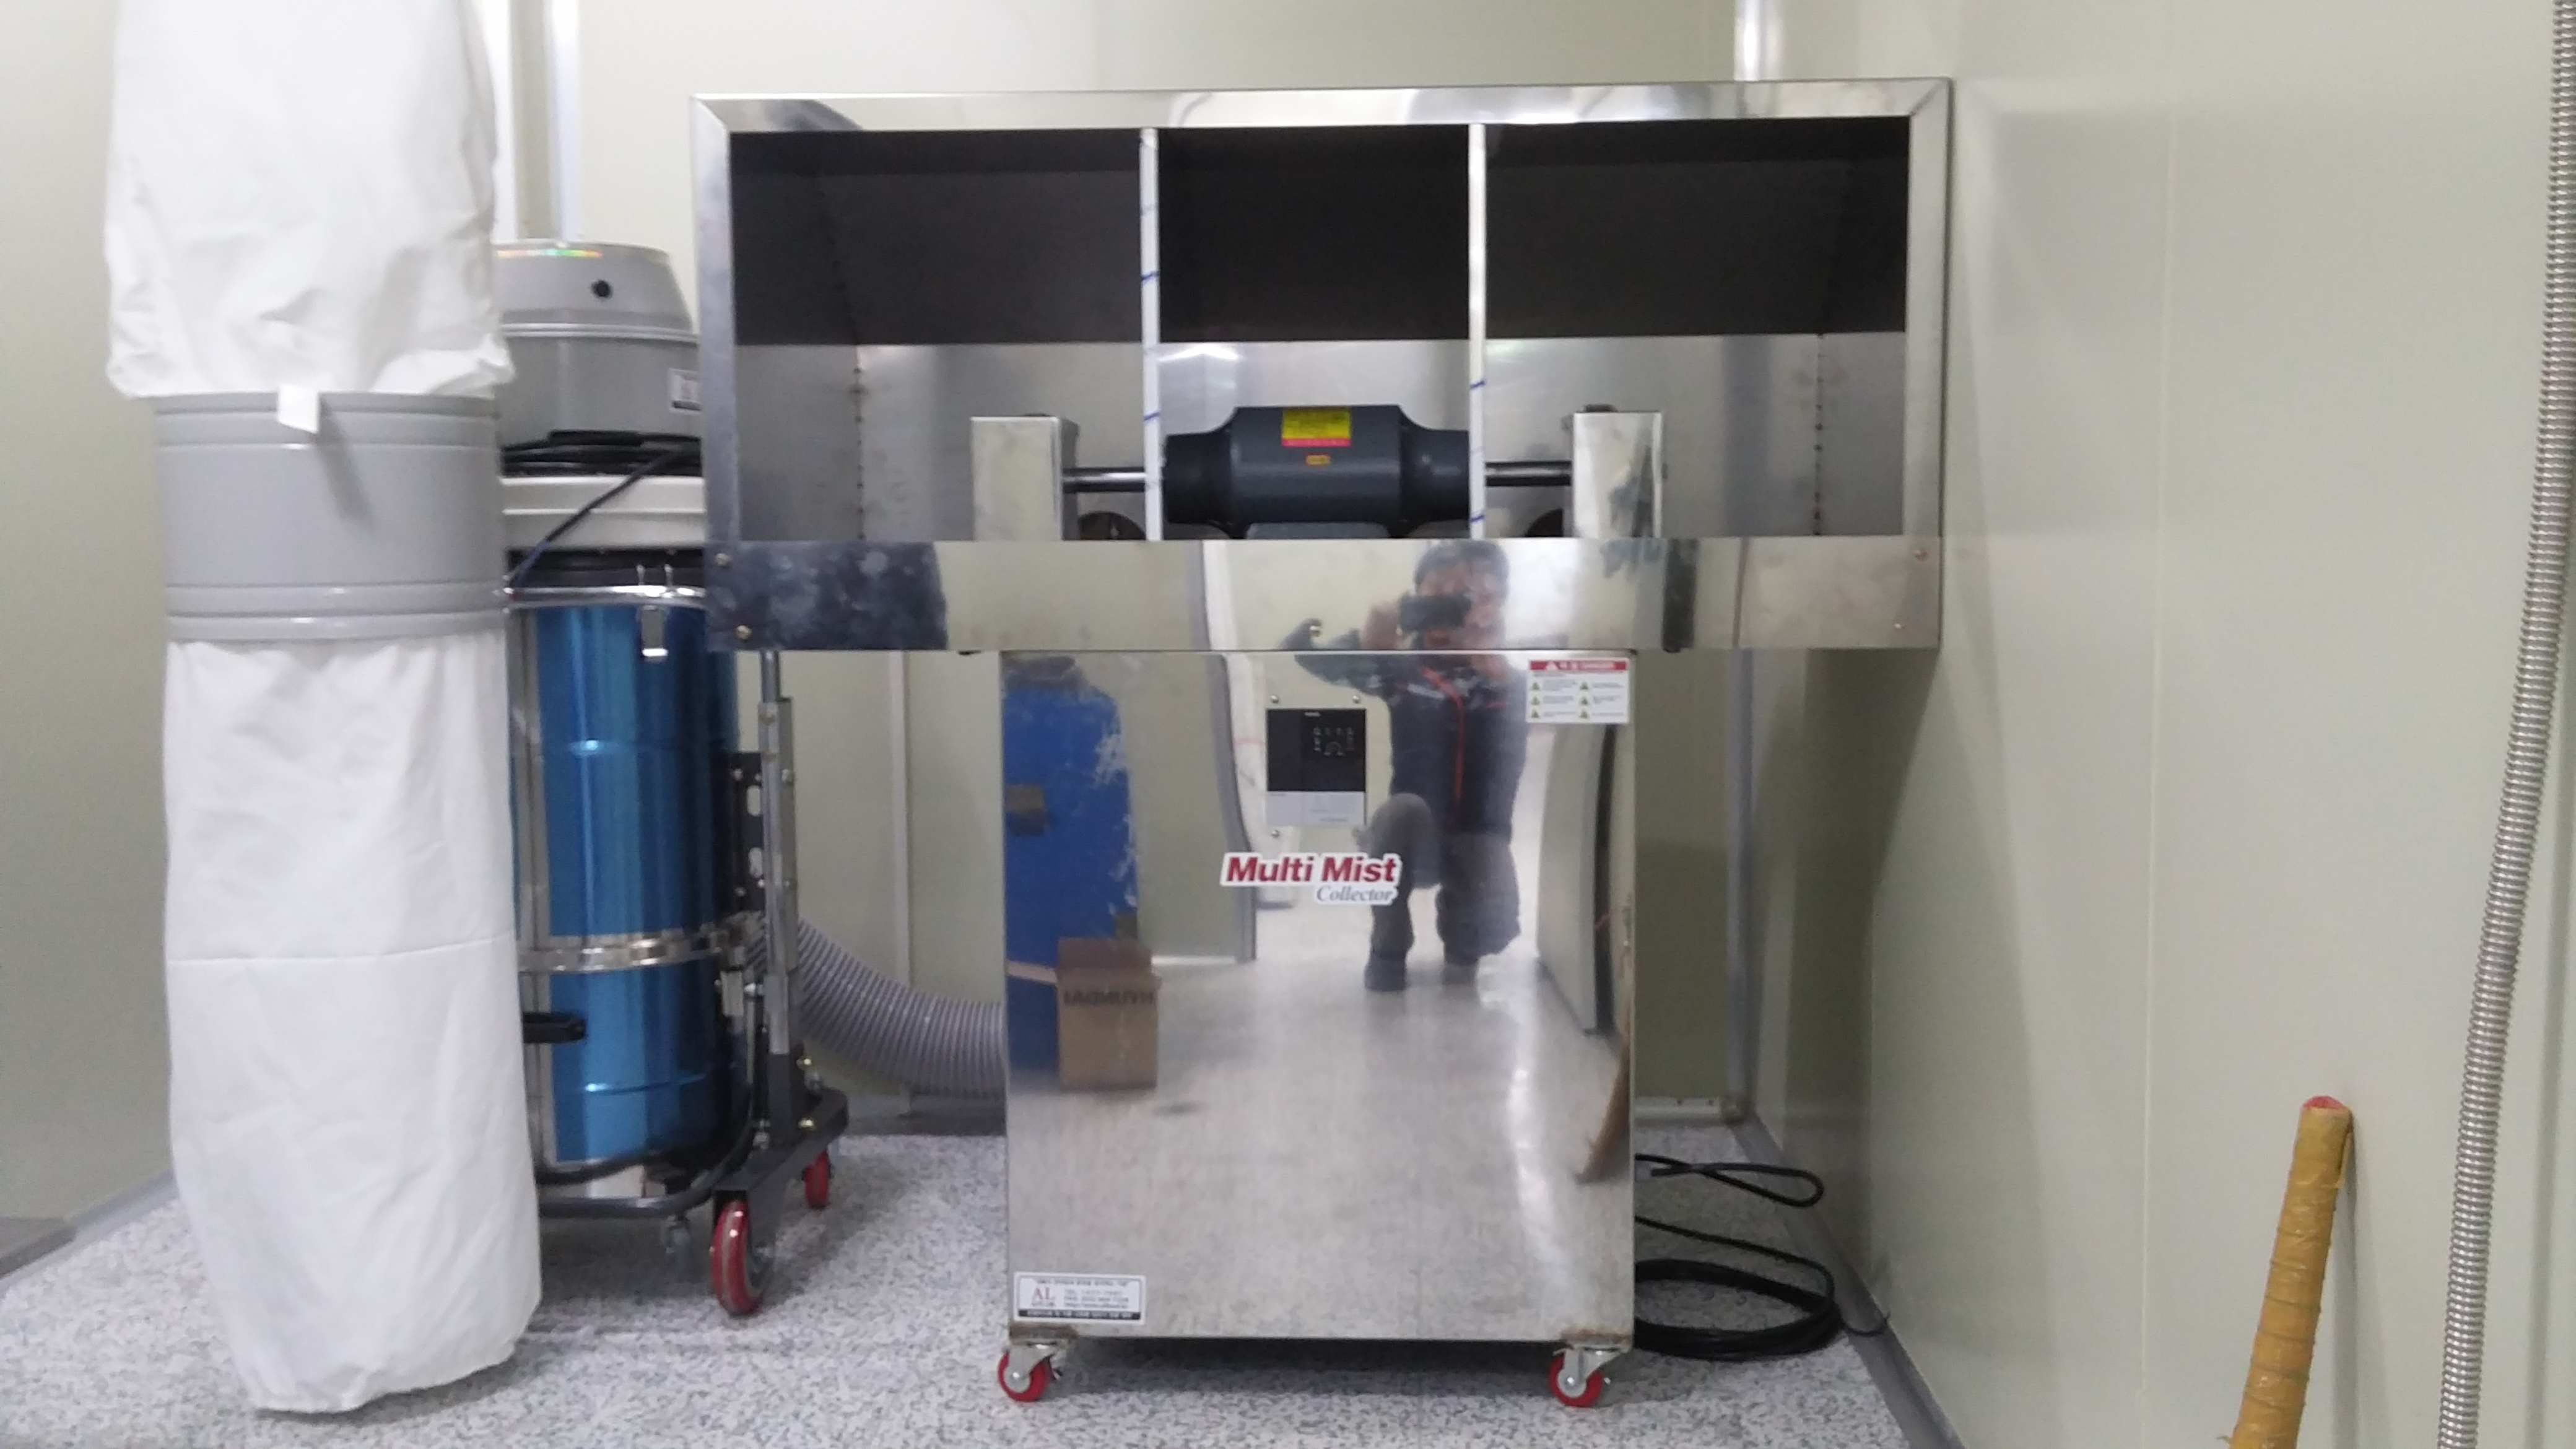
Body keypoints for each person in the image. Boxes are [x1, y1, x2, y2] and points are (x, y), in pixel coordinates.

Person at [1294, 539, 1528, 991]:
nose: (1450, 608)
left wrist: (1503, 682)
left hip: (1477, 835)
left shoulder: (1507, 680)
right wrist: (1363, 644)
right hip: (1413, 835)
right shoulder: (1400, 668)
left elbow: (1545, 734)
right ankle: (1388, 944)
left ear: (1496, 605)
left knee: (1493, 928)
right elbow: (1308, 658)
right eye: (1437, 594)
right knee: (1401, 812)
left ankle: (1462, 940)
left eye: (1472, 594)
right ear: (1416, 601)